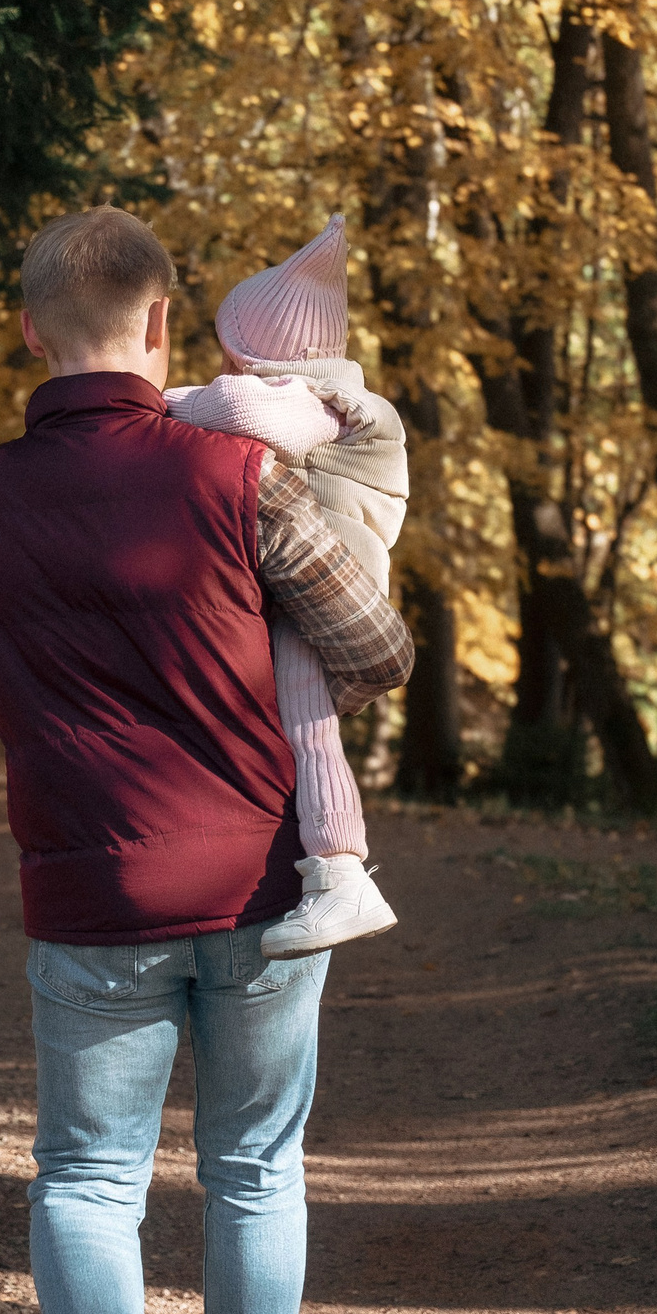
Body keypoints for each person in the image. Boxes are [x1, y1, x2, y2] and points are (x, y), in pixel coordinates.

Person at [0, 208, 413, 1314]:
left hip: (87, 884)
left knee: (89, 1177)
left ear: (29, 330)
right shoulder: (239, 473)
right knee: (254, 1169)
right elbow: (376, 647)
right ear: (159, 323)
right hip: (261, 879)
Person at [163, 215, 408, 955]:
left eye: (229, 353)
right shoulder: (316, 398)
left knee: (306, 719)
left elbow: (243, 411)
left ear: (253, 352)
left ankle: (340, 875)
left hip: (331, 582)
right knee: (292, 721)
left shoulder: (334, 405)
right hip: (307, 575)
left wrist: (155, 406)